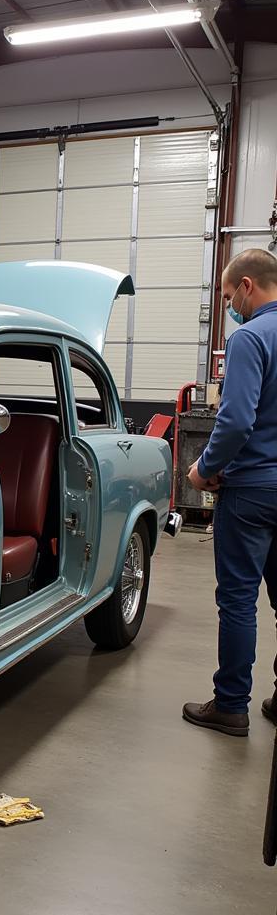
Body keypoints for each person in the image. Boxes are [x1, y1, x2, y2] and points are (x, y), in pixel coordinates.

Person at [183, 247, 277, 735]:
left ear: (246, 286)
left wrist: (204, 469)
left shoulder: (251, 338)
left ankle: (231, 704)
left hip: (252, 491)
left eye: (226, 296)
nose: (227, 307)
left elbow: (236, 418)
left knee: (238, 599)